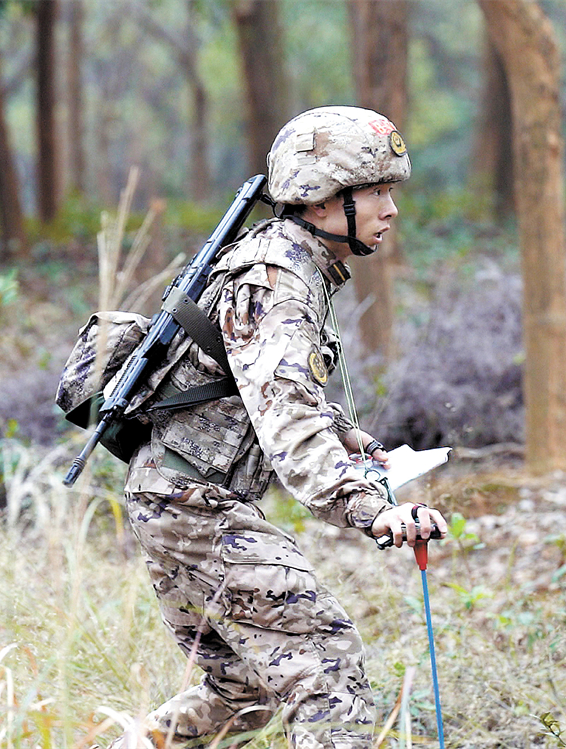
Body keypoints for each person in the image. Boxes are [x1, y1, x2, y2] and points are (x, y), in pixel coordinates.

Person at [114, 106, 447, 749]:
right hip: (194, 506)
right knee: (327, 666)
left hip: (176, 500)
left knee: (240, 694)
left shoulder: (292, 262)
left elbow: (272, 393)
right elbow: (286, 419)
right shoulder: (278, 277)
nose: (391, 209)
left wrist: (362, 449)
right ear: (323, 202)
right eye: (375, 192)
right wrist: (368, 508)